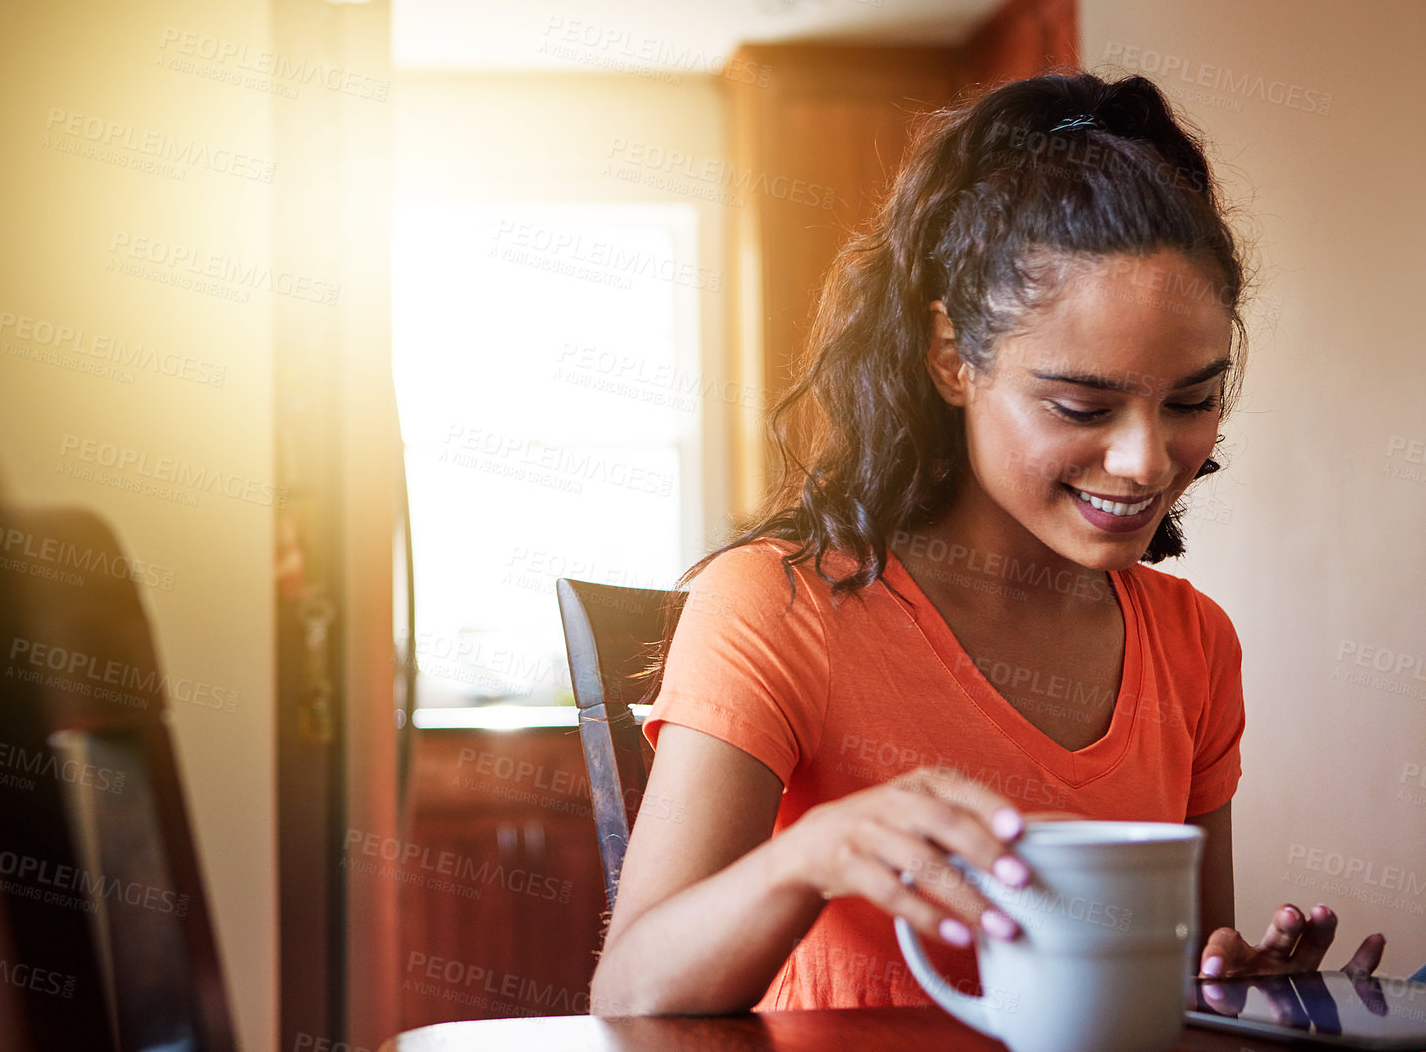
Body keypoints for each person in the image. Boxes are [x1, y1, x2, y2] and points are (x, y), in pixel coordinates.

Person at [589, 72, 1386, 1015]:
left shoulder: (1195, 644)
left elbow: (1182, 974)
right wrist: (806, 858)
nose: (1143, 461)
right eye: (1081, 405)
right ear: (951, 359)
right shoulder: (778, 604)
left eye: (1191, 401)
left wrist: (1234, 988)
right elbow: (628, 993)